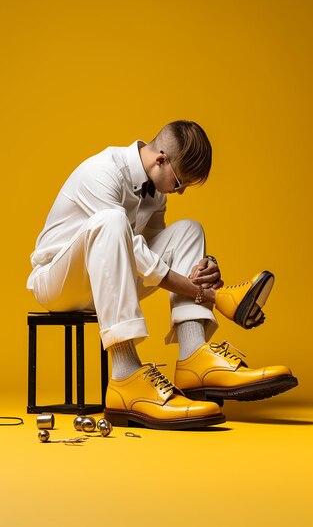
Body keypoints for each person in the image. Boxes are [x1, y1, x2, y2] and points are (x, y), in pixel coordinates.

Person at [27, 120, 297, 430]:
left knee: (188, 230)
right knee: (112, 220)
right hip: (60, 282)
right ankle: (125, 373)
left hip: (110, 276)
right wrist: (206, 293)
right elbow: (140, 256)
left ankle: (194, 356)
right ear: (160, 159)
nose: (180, 191)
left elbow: (155, 255)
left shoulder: (156, 193)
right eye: (180, 182)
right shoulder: (102, 171)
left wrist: (200, 271)